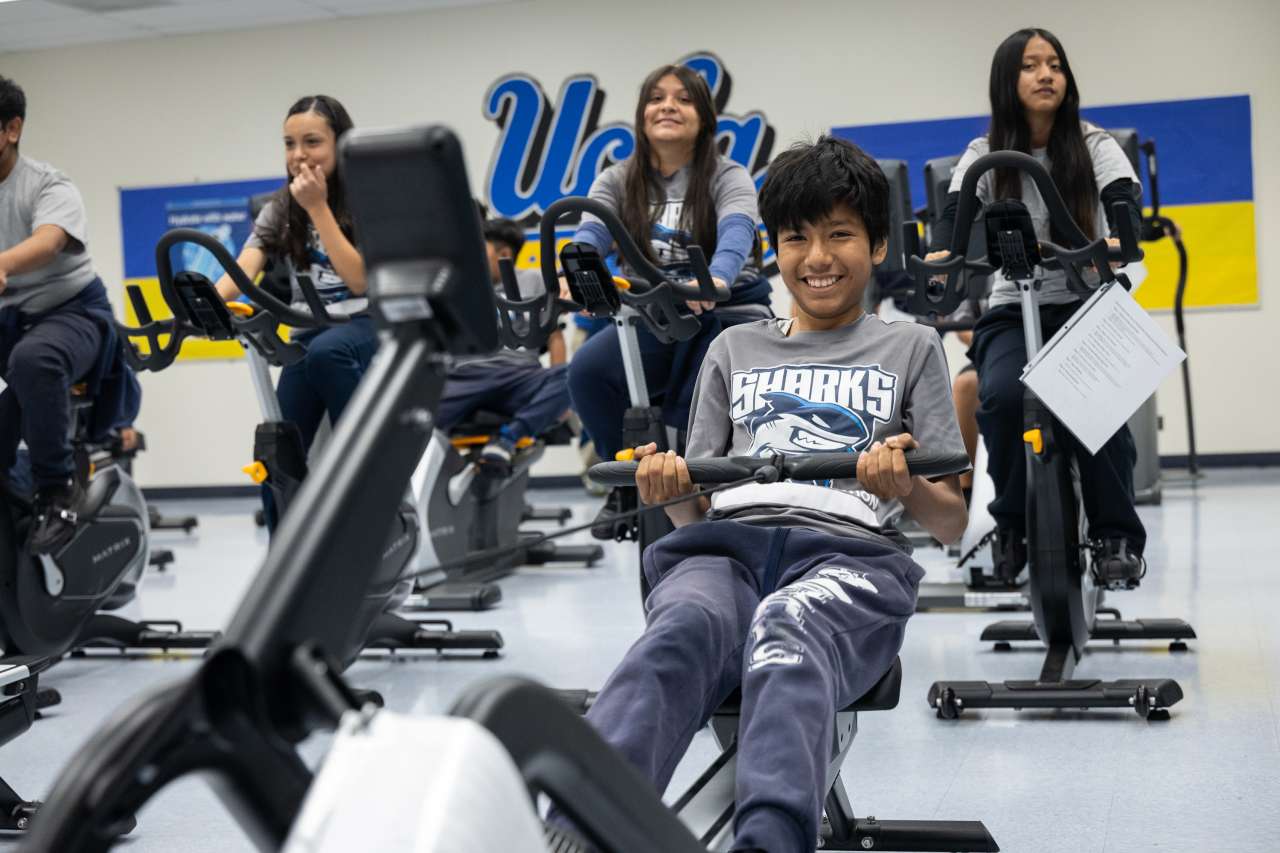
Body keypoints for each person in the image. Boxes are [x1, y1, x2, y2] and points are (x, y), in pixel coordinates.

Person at [551, 137, 967, 853]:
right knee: (676, 634)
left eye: (840, 234)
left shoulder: (912, 346)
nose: (818, 258)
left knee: (788, 630)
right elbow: (701, 506)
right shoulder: (733, 347)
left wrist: (901, 483)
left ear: (875, 243)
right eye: (796, 238)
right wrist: (669, 486)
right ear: (773, 250)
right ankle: (578, 834)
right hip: (723, 550)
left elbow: (953, 520)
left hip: (850, 557)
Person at [927, 28, 1146, 587]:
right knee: (997, 399)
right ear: (1008, 80)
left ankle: (1116, 536)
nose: (1046, 74)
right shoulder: (985, 152)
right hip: (1011, 304)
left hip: (1086, 301)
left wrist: (1123, 232)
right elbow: (957, 215)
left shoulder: (1093, 144)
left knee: (1099, 408)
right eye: (1030, 65)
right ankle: (1014, 528)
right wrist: (946, 251)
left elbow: (1122, 197)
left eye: (1054, 64)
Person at [563, 63, 772, 536]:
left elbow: (738, 227)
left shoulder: (727, 174)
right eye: (656, 98)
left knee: (693, 404)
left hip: (726, 313)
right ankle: (622, 481)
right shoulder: (619, 180)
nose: (668, 107)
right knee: (588, 373)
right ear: (641, 114)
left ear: (704, 118)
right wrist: (572, 273)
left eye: (682, 99)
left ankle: (705, 502)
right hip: (654, 316)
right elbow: (591, 233)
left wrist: (717, 277)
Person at [214, 95, 374, 530]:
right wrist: (208, 303)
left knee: (327, 353)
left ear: (342, 144)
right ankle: (283, 557)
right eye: (289, 144)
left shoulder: (367, 196)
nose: (298, 154)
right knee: (277, 445)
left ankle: (360, 466)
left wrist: (318, 209)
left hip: (366, 326)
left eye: (312, 142)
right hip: (312, 334)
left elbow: (360, 280)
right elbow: (246, 266)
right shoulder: (280, 206)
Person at [0, 75, 134, 553]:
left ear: (10, 129)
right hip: (7, 320)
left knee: (34, 361)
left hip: (71, 311)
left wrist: (3, 264)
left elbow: (50, 240)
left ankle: (57, 492)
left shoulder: (46, 184)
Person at [434, 216, 571, 477]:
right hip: (465, 376)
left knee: (572, 376)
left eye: (479, 251)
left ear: (504, 253)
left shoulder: (534, 281)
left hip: (519, 377)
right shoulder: (460, 287)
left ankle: (506, 440)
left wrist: (560, 400)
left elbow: (554, 336)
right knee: (409, 421)